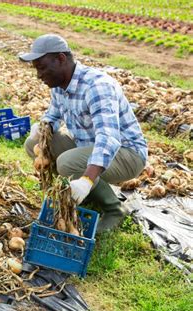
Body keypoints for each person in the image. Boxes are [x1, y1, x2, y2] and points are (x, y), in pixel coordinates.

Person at [19, 34, 148, 231]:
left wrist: (86, 180)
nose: (39, 75)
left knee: (67, 162)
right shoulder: (59, 86)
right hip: (87, 146)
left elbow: (109, 138)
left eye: (42, 67)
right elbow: (53, 116)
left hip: (126, 153)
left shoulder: (97, 86)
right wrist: (43, 127)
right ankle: (80, 193)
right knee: (33, 144)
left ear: (61, 59)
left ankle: (113, 208)